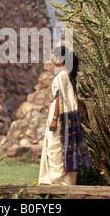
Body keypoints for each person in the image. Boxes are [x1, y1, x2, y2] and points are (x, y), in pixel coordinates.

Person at [38, 46, 92, 185]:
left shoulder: (62, 76)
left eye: (56, 57)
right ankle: (66, 182)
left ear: (62, 59)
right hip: (66, 116)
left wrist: (54, 119)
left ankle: (59, 183)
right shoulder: (69, 76)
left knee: (56, 148)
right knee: (63, 147)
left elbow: (60, 99)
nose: (53, 59)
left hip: (60, 116)